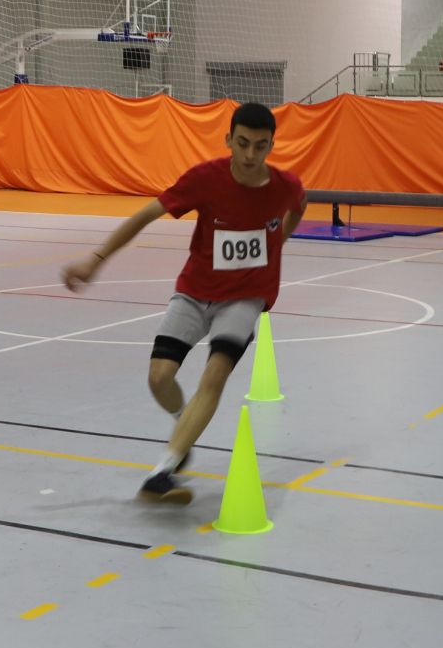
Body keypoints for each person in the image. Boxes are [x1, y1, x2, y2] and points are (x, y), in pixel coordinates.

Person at [60, 103, 305, 505]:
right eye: (242, 143)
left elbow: (298, 206)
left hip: (245, 296)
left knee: (215, 375)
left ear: (271, 146)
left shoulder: (285, 186)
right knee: (159, 377)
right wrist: (96, 259)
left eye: (260, 146)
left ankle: (162, 472)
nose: (250, 154)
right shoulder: (204, 179)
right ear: (228, 140)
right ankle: (183, 428)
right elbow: (146, 215)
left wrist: (278, 242)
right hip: (195, 290)